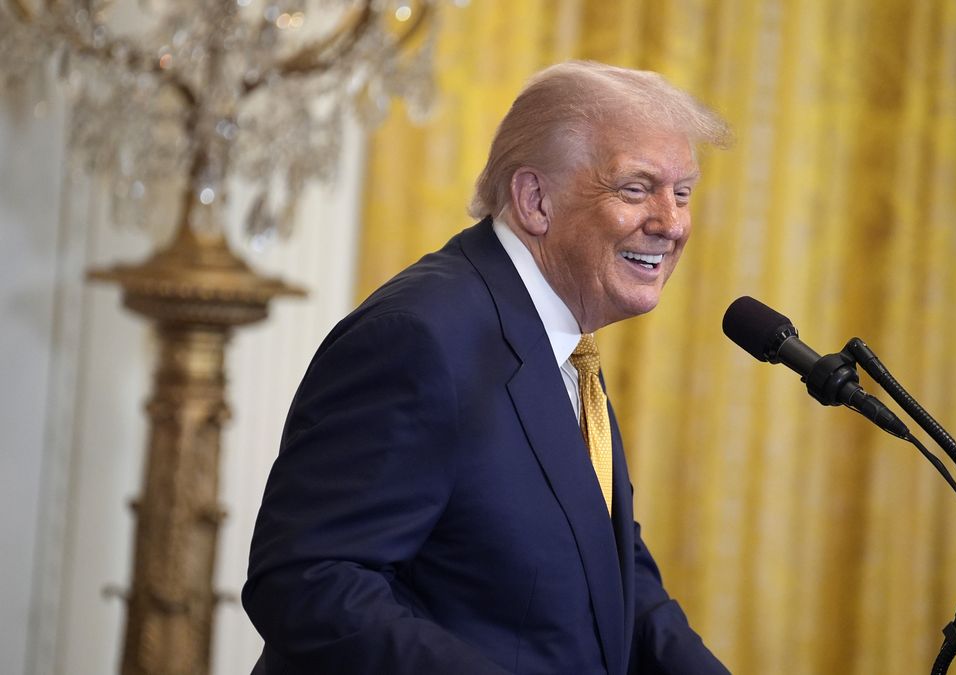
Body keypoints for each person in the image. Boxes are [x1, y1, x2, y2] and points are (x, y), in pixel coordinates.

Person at [242, 60, 731, 675]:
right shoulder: (420, 338)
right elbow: (309, 581)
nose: (672, 222)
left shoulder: (559, 336)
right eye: (636, 189)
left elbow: (606, 566)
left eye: (682, 192)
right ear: (535, 200)